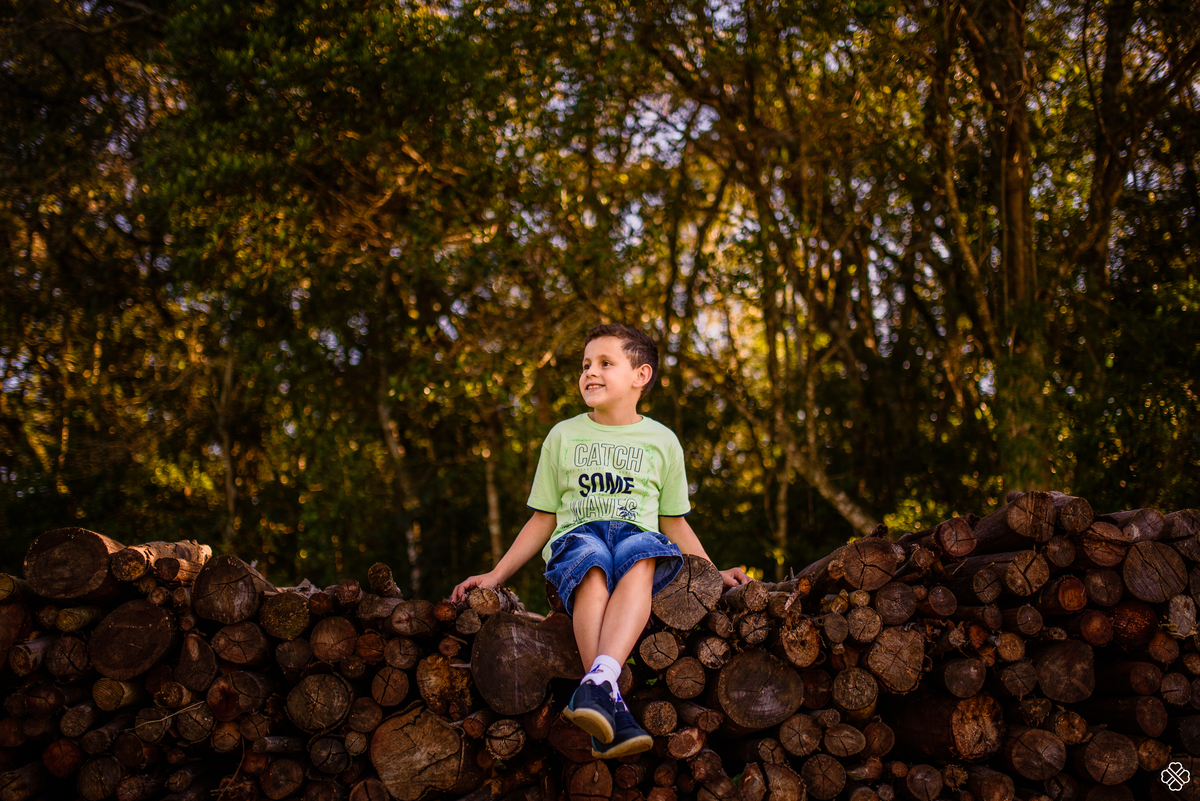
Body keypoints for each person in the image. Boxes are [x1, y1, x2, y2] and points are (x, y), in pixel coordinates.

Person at [451, 323, 750, 759]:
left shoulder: (662, 441)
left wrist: (710, 571)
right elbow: (544, 518)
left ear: (640, 376)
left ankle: (598, 692)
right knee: (591, 563)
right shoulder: (563, 435)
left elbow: (674, 523)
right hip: (578, 538)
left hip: (637, 539)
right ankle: (607, 693)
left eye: (605, 363)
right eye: (586, 364)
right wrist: (496, 574)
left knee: (641, 553)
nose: (590, 372)